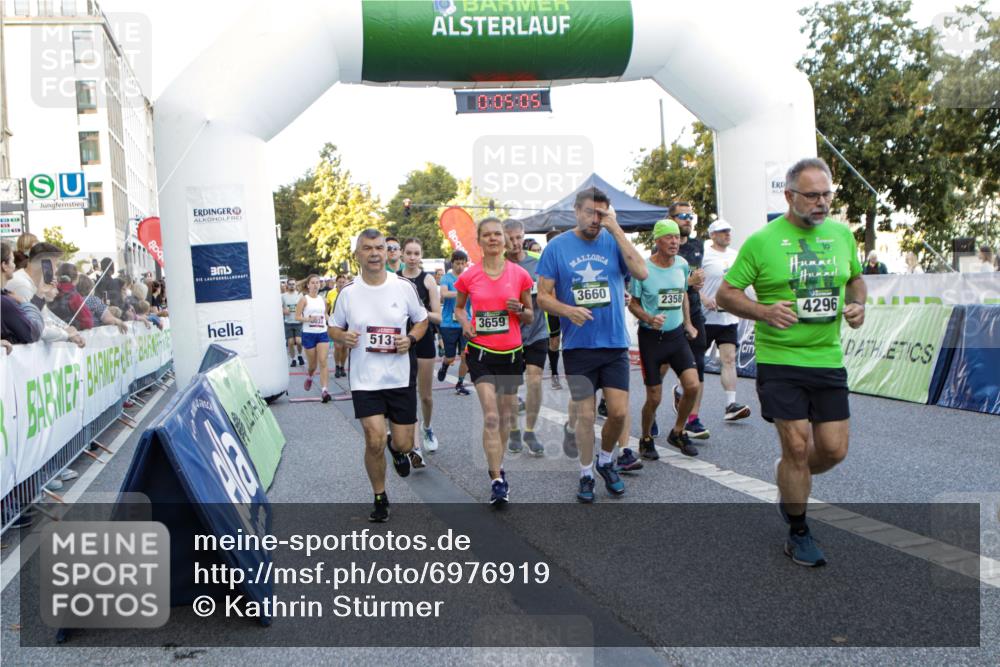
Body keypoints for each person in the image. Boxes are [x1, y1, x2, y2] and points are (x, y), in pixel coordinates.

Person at [717, 157, 866, 567]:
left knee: (833, 450)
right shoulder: (762, 242)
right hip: (780, 360)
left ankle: (788, 473)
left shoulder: (841, 235)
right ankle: (798, 530)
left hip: (827, 358)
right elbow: (727, 294)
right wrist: (763, 311)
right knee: (798, 445)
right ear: (789, 195)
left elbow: (855, 280)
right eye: (813, 195)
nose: (822, 203)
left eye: (827, 194)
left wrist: (858, 306)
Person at [536, 187, 649, 503]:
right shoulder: (557, 248)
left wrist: (616, 229)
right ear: (576, 211)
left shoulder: (614, 241)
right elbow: (542, 297)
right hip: (579, 347)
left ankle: (606, 460)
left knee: (618, 413)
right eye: (590, 212)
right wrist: (567, 310)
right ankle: (586, 473)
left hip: (614, 343)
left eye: (602, 214)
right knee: (585, 416)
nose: (595, 219)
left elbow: (642, 272)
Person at [329, 229, 428, 522]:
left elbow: (422, 321)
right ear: (357, 255)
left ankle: (396, 450)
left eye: (379, 247)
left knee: (404, 443)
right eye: (367, 248)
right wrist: (342, 336)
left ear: (387, 252)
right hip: (365, 379)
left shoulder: (404, 287)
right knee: (373, 439)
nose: (374, 253)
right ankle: (380, 496)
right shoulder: (348, 292)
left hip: (399, 377)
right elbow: (333, 327)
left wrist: (410, 338)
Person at [455, 218, 534, 503]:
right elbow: (459, 309)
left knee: (505, 417)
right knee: (491, 415)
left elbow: (530, 316)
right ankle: (497, 478)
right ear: (479, 241)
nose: (492, 239)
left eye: (497, 234)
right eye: (486, 235)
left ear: (505, 239)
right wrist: (465, 323)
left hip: (511, 355)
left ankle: (498, 465)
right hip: (481, 354)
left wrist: (520, 308)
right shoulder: (469, 276)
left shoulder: (520, 275)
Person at [628, 219, 701, 458]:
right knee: (654, 397)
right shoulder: (643, 269)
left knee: (692, 385)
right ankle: (646, 438)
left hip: (676, 336)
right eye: (669, 237)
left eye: (677, 237)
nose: (674, 242)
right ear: (657, 241)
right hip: (651, 339)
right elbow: (633, 304)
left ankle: (678, 431)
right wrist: (649, 318)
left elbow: (683, 294)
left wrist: (688, 323)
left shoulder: (682, 264)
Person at [503, 219, 548, 456]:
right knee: (510, 388)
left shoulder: (538, 263)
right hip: (509, 334)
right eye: (510, 239)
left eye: (519, 237)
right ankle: (513, 430)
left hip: (537, 330)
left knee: (535, 380)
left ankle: (530, 431)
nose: (516, 243)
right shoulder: (498, 266)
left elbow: (550, 291)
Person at [700, 219, 752, 421]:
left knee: (728, 359)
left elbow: (742, 283)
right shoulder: (704, 254)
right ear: (712, 235)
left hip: (728, 317)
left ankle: (731, 405)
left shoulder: (736, 255)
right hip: (705, 318)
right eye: (722, 231)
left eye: (729, 231)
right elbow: (691, 282)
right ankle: (681, 390)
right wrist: (704, 299)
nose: (727, 234)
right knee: (695, 361)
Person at [398, 238, 443, 460]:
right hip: (401, 342)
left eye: (416, 253)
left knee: (425, 396)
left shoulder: (428, 280)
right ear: (402, 254)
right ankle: (415, 446)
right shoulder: (395, 279)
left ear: (421, 255)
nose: (412, 257)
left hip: (424, 340)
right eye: (409, 253)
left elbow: (438, 317)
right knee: (408, 395)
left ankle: (427, 427)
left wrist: (418, 310)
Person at [669, 201, 711, 439]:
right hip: (669, 314)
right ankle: (651, 417)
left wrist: (699, 288)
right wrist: (688, 282)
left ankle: (693, 419)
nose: (688, 220)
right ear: (671, 220)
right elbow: (664, 282)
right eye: (682, 216)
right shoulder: (664, 247)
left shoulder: (697, 245)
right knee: (662, 368)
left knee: (699, 365)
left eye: (690, 216)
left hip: (694, 312)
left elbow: (697, 280)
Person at [7, 242, 85, 347]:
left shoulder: (31, 282)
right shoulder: (22, 285)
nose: (56, 270)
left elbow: (46, 315)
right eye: (55, 265)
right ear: (43, 265)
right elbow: (38, 328)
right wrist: (67, 334)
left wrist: (66, 328)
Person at [437, 251, 472, 396]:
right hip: (449, 323)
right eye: (457, 263)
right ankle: (444, 365)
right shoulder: (446, 278)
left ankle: (460, 383)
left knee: (465, 356)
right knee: (450, 358)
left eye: (463, 263)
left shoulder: (469, 278)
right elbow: (444, 294)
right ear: (452, 263)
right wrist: (462, 292)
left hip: (465, 323)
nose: (460, 266)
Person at [295, 275, 332, 403]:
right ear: (308, 285)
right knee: (313, 365)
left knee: (323, 361)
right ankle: (310, 376)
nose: (316, 285)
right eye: (313, 283)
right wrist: (308, 319)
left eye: (317, 282)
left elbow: (325, 314)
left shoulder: (323, 299)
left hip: (322, 333)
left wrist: (332, 322)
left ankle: (324, 390)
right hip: (308, 334)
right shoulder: (304, 299)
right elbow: (297, 317)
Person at [1, 242, 41, 345]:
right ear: (4, 265)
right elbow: (33, 333)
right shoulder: (4, 302)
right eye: (12, 261)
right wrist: (25, 303)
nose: (15, 265)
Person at [544, 229, 564, 390]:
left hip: (571, 306)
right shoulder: (545, 261)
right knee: (554, 342)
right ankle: (555, 374)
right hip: (552, 309)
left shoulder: (569, 257)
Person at [49, 262, 94, 330]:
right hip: (69, 333)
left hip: (51, 331)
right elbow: (88, 323)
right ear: (76, 278)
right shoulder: (73, 296)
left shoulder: (49, 291)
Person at [327, 274, 350, 378]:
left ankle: (342, 366)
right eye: (339, 282)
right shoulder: (331, 293)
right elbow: (326, 309)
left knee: (345, 347)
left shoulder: (349, 292)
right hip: (335, 322)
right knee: (337, 346)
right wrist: (328, 319)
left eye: (343, 282)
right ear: (336, 282)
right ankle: (337, 366)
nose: (341, 284)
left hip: (347, 322)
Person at [282, 278, 305, 367]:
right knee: (290, 342)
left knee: (299, 341)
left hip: (298, 321)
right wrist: (284, 311)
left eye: (293, 284)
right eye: (290, 284)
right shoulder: (283, 296)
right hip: (288, 322)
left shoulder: (300, 295)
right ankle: (293, 359)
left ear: (295, 285)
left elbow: (305, 306)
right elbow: (278, 307)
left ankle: (299, 355)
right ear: (287, 285)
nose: (292, 286)